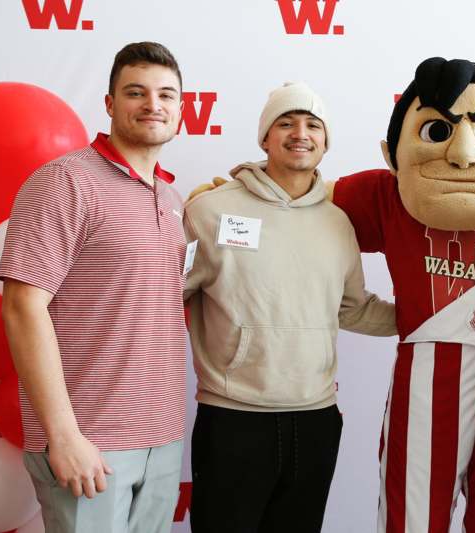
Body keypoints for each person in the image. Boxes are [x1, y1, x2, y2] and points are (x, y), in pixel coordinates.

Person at [331, 58, 475, 533]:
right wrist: (243, 197)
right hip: (422, 394)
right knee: (413, 519)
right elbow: (304, 206)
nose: (463, 153)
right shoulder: (387, 196)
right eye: (439, 132)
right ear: (393, 153)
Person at [183, 81, 397, 533]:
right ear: (265, 138)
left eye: (312, 125)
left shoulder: (339, 223)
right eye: (286, 122)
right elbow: (164, 298)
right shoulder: (211, 210)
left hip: (315, 421)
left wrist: (428, 318)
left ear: (325, 141)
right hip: (233, 418)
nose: (300, 133)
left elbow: (353, 308)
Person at [0, 42, 188, 533]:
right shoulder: (65, 181)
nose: (153, 105)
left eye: (167, 95)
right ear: (109, 103)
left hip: (162, 438)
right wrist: (63, 435)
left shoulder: (170, 198)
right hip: (90, 442)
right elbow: (22, 307)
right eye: (136, 92)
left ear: (182, 110)